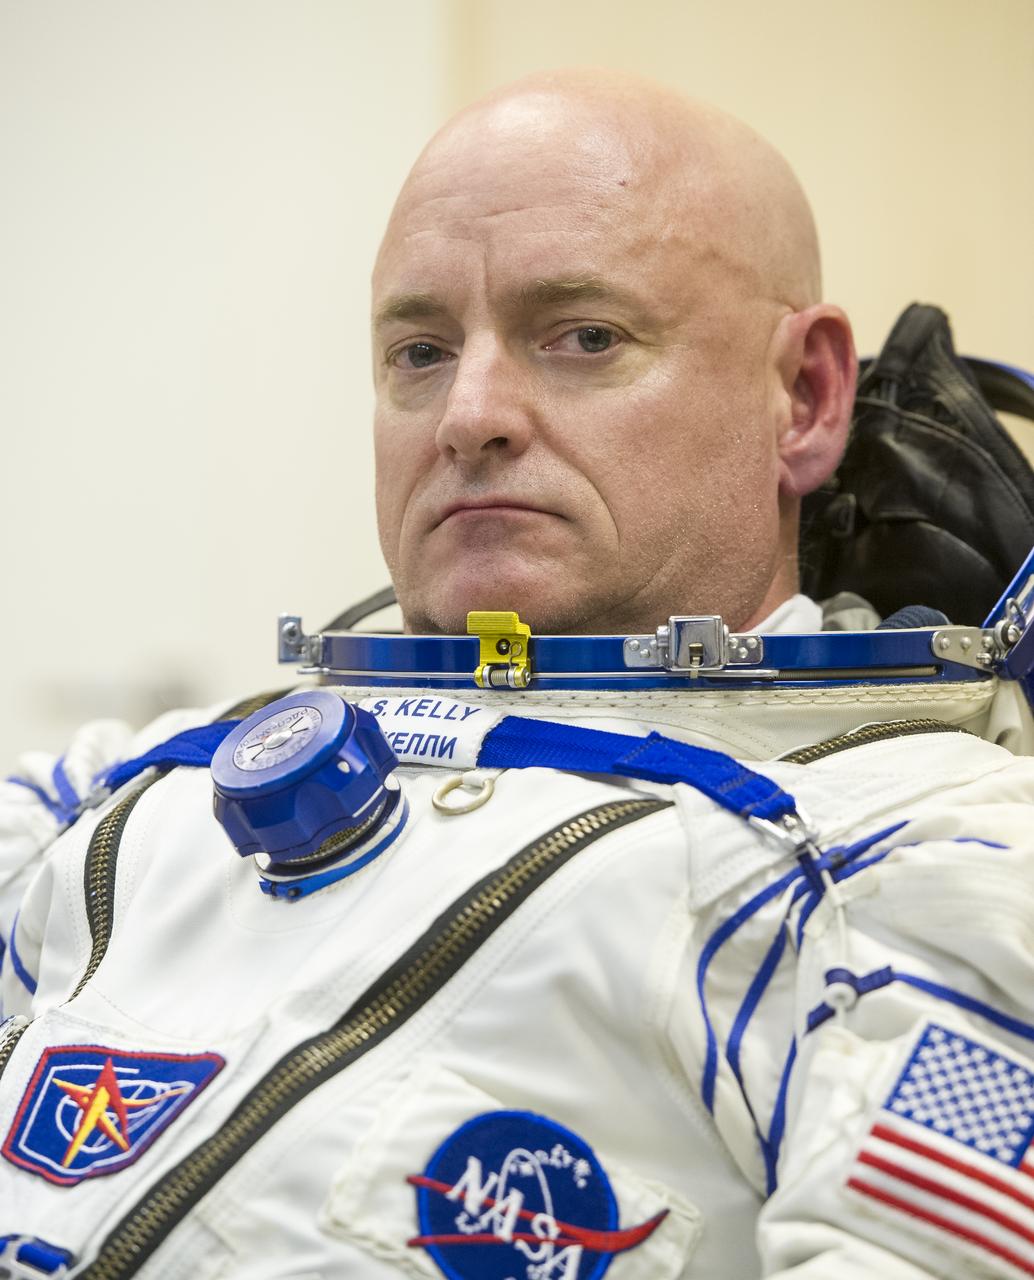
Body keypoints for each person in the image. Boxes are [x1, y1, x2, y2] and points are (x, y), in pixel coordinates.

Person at [0, 70, 1032, 1280]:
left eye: (584, 337)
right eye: (420, 350)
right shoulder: (120, 797)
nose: (468, 414)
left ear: (801, 396)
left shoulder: (919, 859)